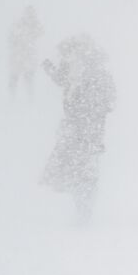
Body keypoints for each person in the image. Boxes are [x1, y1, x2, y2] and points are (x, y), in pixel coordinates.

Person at [41, 35, 117, 223]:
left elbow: (108, 102)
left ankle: (83, 209)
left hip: (81, 130)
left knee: (80, 169)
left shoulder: (85, 75)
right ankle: (84, 208)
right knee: (85, 169)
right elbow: (110, 103)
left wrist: (87, 111)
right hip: (87, 130)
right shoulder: (90, 74)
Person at [7, 6, 44, 97]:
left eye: (31, 13)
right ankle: (12, 97)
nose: (30, 15)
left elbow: (41, 32)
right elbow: (11, 36)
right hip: (20, 53)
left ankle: (29, 98)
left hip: (26, 54)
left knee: (27, 76)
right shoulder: (20, 23)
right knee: (16, 76)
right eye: (29, 13)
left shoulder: (34, 24)